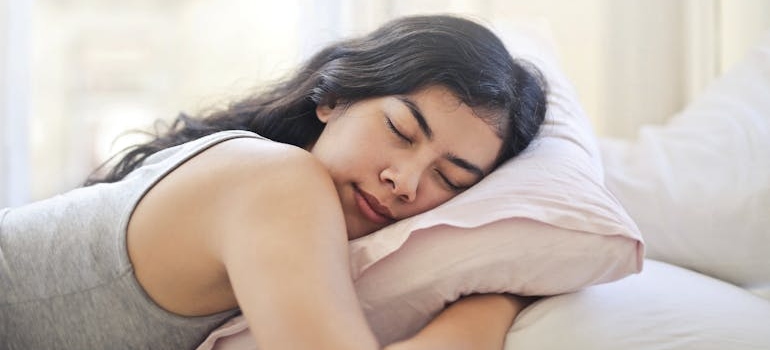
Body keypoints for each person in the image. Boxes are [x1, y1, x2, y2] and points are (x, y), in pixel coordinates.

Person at [0, 14, 547, 350]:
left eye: (449, 178)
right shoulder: (279, 180)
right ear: (334, 99)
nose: (405, 182)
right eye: (400, 131)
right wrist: (497, 300)